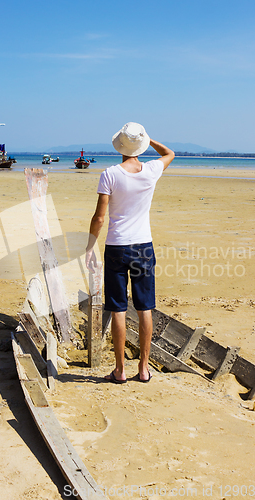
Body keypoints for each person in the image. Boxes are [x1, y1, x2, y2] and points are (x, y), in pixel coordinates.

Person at [85, 122, 175, 383]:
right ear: (142, 145)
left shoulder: (110, 174)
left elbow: (99, 218)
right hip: (143, 247)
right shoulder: (150, 170)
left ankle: (120, 370)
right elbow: (169, 153)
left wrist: (90, 247)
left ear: (120, 145)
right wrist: (148, 139)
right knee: (144, 308)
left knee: (118, 309)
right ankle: (144, 369)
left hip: (116, 247)